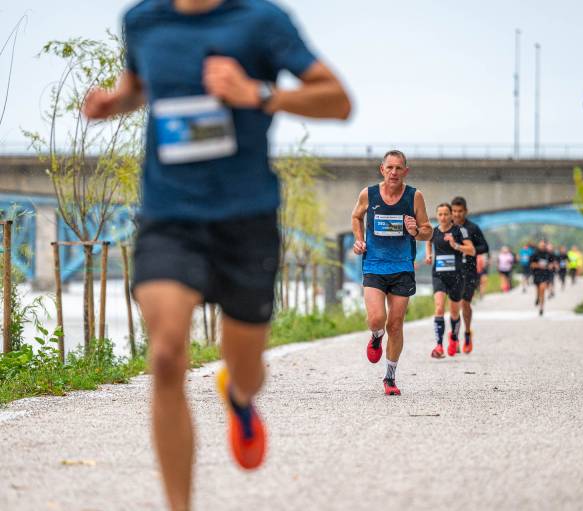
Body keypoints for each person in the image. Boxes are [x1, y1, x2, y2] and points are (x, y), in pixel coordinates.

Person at [83, 1, 351, 508]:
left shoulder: (262, 21)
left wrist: (259, 93)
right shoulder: (142, 20)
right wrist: (114, 103)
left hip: (245, 220)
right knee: (166, 356)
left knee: (247, 372)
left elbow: (338, 101)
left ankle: (238, 395)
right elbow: (139, 86)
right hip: (169, 216)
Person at [351, 150, 432, 395]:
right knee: (377, 319)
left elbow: (428, 231)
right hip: (374, 265)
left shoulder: (414, 196)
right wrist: (359, 240)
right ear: (382, 169)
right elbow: (356, 216)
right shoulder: (369, 194)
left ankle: (390, 377)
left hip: (402, 267)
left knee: (395, 324)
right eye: (390, 168)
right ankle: (376, 336)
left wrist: (415, 231)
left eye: (399, 168)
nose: (394, 172)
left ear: (405, 171)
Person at [425, 203, 475, 358]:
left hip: (457, 276)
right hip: (439, 275)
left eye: (446, 214)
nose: (443, 217)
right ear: (437, 215)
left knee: (454, 312)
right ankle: (439, 346)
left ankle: (454, 337)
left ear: (451, 215)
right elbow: (428, 241)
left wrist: (455, 245)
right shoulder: (434, 231)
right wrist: (429, 255)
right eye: (440, 214)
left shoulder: (460, 231)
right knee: (439, 308)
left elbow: (471, 250)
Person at [450, 197, 489, 354]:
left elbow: (484, 247)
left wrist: (468, 250)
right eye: (454, 211)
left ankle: (467, 332)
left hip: (469, 271)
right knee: (454, 305)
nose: (457, 214)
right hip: (452, 271)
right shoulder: (448, 227)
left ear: (465, 211)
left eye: (460, 211)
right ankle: (455, 339)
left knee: (465, 304)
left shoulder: (473, 228)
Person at [531, 240, 553, 316]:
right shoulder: (535, 254)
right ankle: (537, 297)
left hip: (545, 275)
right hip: (537, 274)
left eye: (543, 246)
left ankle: (541, 308)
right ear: (538, 246)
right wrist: (539, 266)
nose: (542, 247)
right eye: (541, 245)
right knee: (538, 290)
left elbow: (552, 263)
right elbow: (532, 265)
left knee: (542, 290)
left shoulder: (548, 254)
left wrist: (551, 266)